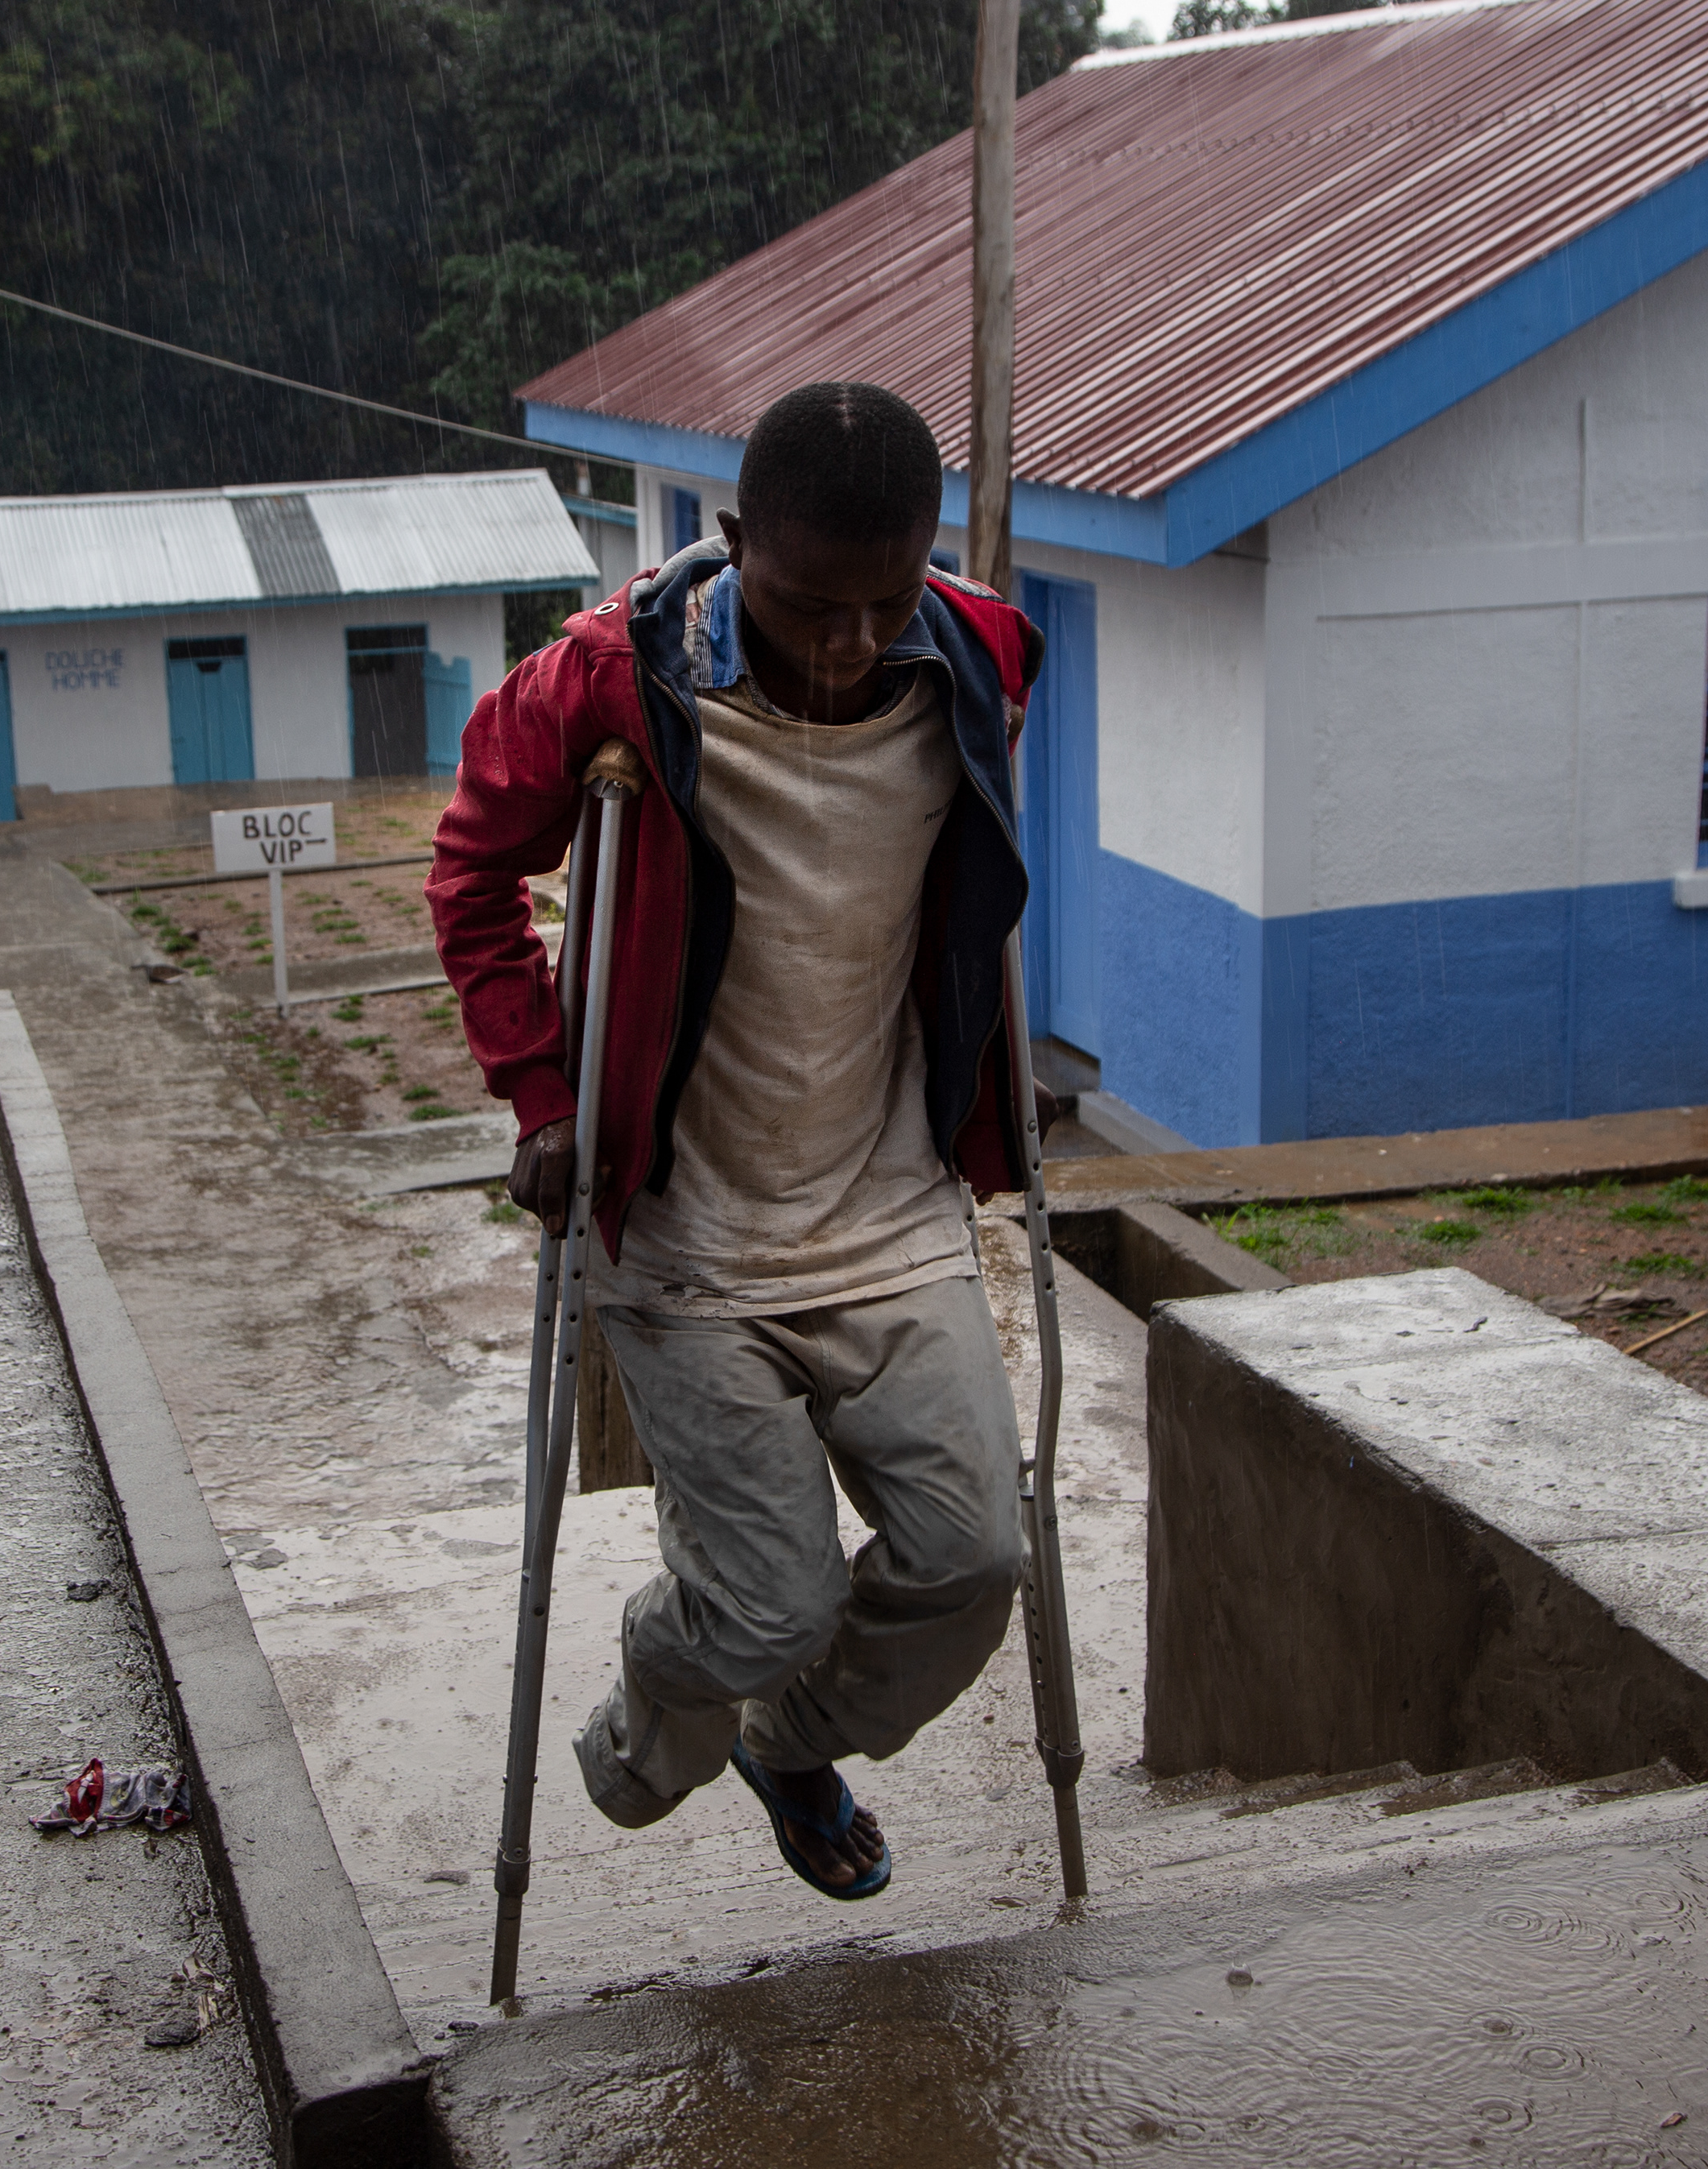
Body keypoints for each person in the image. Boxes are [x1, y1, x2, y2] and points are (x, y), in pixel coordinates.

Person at [426, 381, 1045, 1901]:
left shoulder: (979, 656)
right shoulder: (607, 680)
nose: (850, 643)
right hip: (689, 1237)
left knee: (977, 1559)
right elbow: (472, 872)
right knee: (767, 1602)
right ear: (734, 540)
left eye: (886, 602)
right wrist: (544, 1092)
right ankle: (647, 1736)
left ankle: (793, 1738)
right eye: (809, 604)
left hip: (889, 1213)